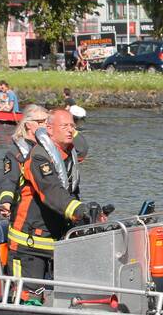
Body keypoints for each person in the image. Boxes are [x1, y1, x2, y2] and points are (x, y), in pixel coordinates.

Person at [7, 108, 106, 296]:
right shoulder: (39, 157)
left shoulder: (69, 156)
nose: (70, 130)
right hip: (28, 245)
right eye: (65, 126)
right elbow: (51, 192)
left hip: (54, 242)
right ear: (49, 129)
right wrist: (79, 210)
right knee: (27, 299)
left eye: (72, 126)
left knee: (60, 296)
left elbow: (71, 193)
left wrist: (90, 215)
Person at [0, 104, 50, 219]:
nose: (46, 126)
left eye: (47, 122)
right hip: (26, 212)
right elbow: (8, 179)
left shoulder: (50, 148)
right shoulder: (16, 153)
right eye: (41, 122)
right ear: (28, 125)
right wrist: (6, 202)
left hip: (48, 208)